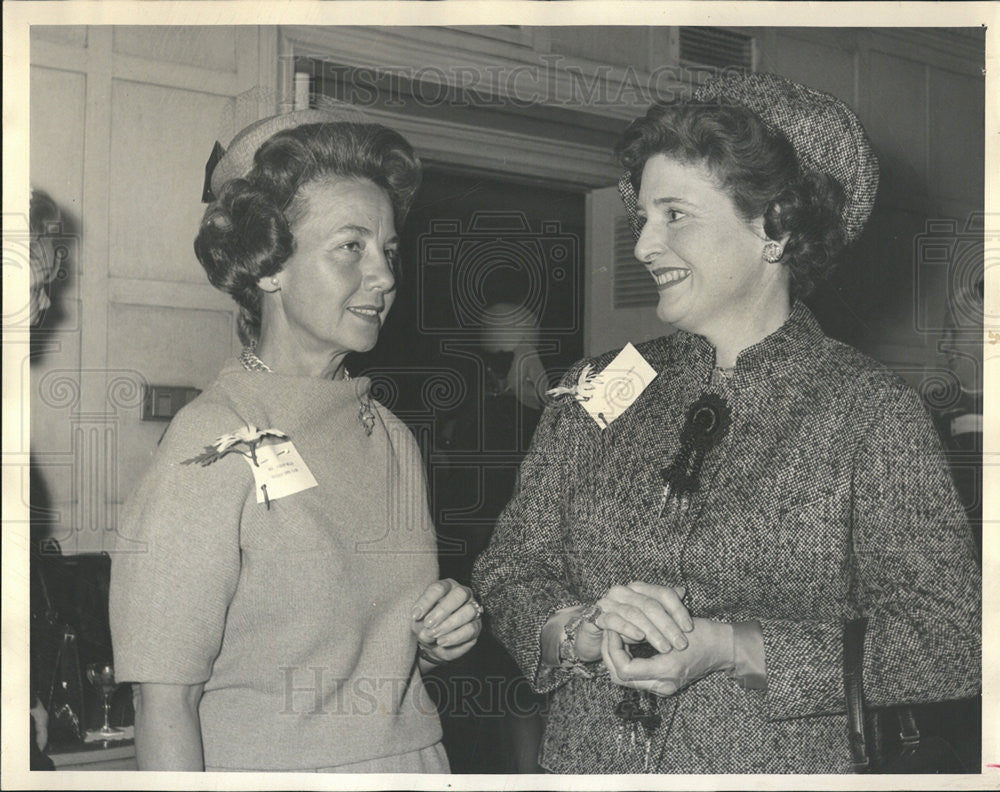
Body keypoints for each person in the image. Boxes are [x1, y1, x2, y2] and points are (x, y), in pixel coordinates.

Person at [472, 72, 981, 773]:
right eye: (642, 218)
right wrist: (578, 632)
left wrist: (738, 646)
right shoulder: (596, 387)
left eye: (674, 214)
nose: (645, 245)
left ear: (775, 226)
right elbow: (510, 568)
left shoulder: (870, 413)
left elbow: (951, 640)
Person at [109, 110, 482, 772]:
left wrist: (432, 640)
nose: (386, 276)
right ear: (268, 266)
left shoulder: (392, 440)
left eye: (389, 250)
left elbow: (366, 653)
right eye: (351, 247)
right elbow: (163, 703)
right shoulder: (212, 442)